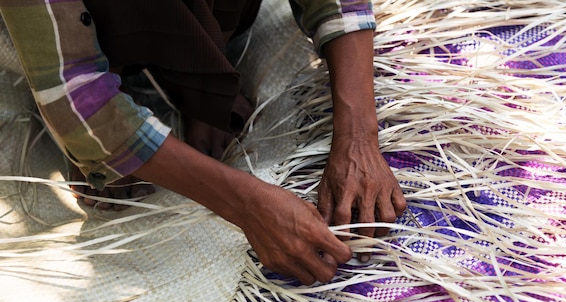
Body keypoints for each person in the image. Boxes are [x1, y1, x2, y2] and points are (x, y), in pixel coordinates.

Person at [0, 0, 406, 285]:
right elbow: (72, 90)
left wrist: (358, 138)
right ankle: (135, 80)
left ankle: (201, 66)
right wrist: (246, 204)